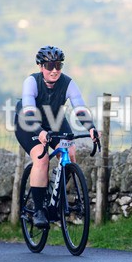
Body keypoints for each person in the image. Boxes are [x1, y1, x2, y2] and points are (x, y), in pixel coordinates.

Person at [15, 45, 98, 228]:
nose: (54, 70)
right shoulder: (31, 82)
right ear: (40, 66)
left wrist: (91, 127)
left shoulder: (68, 83)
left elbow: (80, 108)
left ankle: (53, 190)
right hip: (29, 123)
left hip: (54, 120)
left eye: (58, 66)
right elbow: (28, 113)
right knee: (41, 158)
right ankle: (38, 209)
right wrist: (40, 132)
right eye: (50, 65)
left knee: (71, 156)